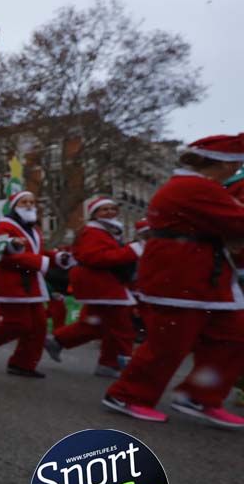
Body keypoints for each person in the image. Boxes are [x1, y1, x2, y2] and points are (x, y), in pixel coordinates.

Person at [102, 135, 244, 428]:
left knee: (231, 336)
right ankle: (127, 395)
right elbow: (238, 221)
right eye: (234, 164)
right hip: (181, 276)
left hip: (201, 277)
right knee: (169, 343)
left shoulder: (196, 186)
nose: (236, 170)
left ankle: (200, 395)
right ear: (220, 163)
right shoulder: (194, 187)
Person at [0, 191, 72, 378]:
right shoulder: (4, 225)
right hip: (11, 283)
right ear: (14, 206)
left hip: (32, 285)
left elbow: (37, 251)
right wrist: (37, 261)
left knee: (39, 325)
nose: (29, 205)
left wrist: (57, 257)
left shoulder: (34, 228)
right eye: (24, 202)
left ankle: (23, 363)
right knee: (17, 324)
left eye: (32, 202)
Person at [44, 197, 142, 378]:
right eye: (104, 209)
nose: (110, 212)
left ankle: (59, 341)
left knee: (96, 324)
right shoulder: (93, 232)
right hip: (101, 284)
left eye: (112, 208)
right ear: (94, 214)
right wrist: (132, 251)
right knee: (122, 328)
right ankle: (119, 364)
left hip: (103, 284)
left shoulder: (106, 231)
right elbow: (95, 258)